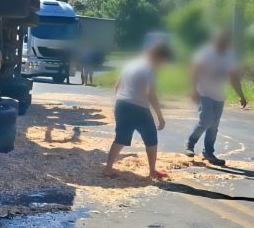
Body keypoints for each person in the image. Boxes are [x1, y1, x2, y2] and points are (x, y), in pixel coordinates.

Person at [103, 41, 173, 179]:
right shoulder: (150, 69)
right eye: (163, 60)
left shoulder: (131, 64)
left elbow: (117, 84)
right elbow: (150, 94)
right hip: (138, 108)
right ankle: (152, 171)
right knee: (151, 138)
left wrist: (120, 101)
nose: (162, 64)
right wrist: (160, 116)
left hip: (122, 103)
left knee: (121, 138)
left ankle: (108, 168)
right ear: (159, 57)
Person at [184, 30, 247, 165]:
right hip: (204, 92)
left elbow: (233, 77)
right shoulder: (206, 53)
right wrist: (193, 90)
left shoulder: (229, 56)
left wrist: (241, 95)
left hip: (219, 95)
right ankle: (190, 143)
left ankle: (208, 152)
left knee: (214, 126)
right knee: (206, 121)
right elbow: (194, 70)